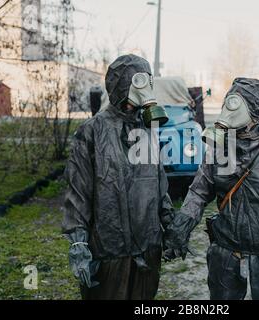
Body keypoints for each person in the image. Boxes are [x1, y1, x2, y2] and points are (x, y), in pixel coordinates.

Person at [163, 78, 259, 300]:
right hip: (227, 251)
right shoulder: (219, 147)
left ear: (254, 110)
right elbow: (200, 190)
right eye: (228, 102)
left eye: (236, 104)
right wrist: (182, 225)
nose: (228, 110)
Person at [62, 54, 174, 300]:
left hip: (147, 252)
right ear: (122, 83)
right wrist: (78, 243)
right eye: (139, 80)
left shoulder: (148, 131)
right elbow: (77, 193)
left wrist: (171, 227)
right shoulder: (92, 131)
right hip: (109, 253)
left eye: (148, 80)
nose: (146, 86)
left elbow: (159, 187)